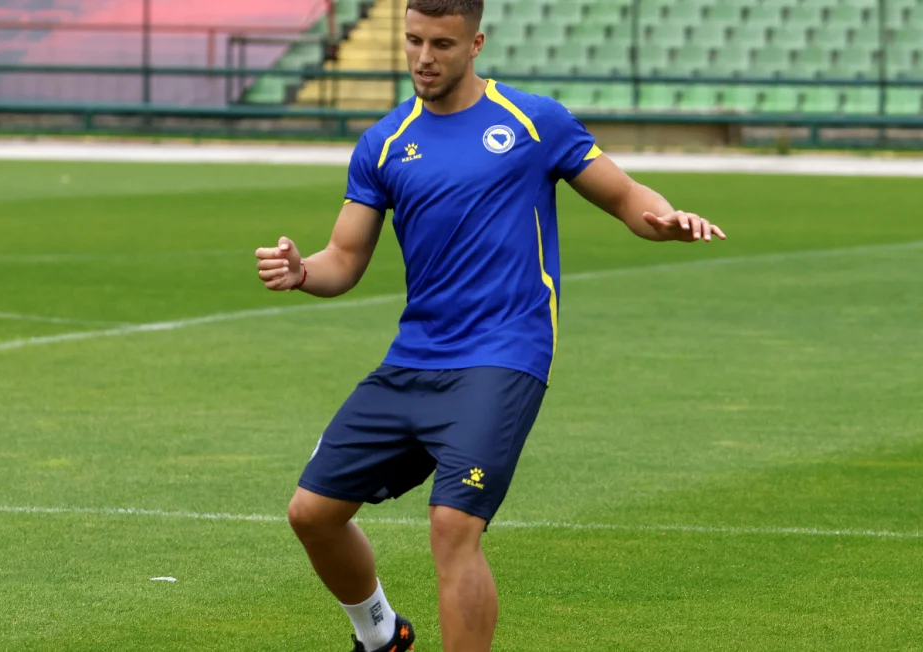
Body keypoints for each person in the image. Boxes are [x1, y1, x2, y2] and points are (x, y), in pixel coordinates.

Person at [254, 1, 726, 650]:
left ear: (475, 43)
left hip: (502, 357)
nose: (424, 58)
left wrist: (664, 219)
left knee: (452, 526)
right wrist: (299, 271)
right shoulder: (384, 143)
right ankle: (380, 633)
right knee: (311, 515)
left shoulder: (534, 121)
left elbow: (624, 195)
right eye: (414, 41)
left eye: (441, 44)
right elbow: (343, 260)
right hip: (412, 360)